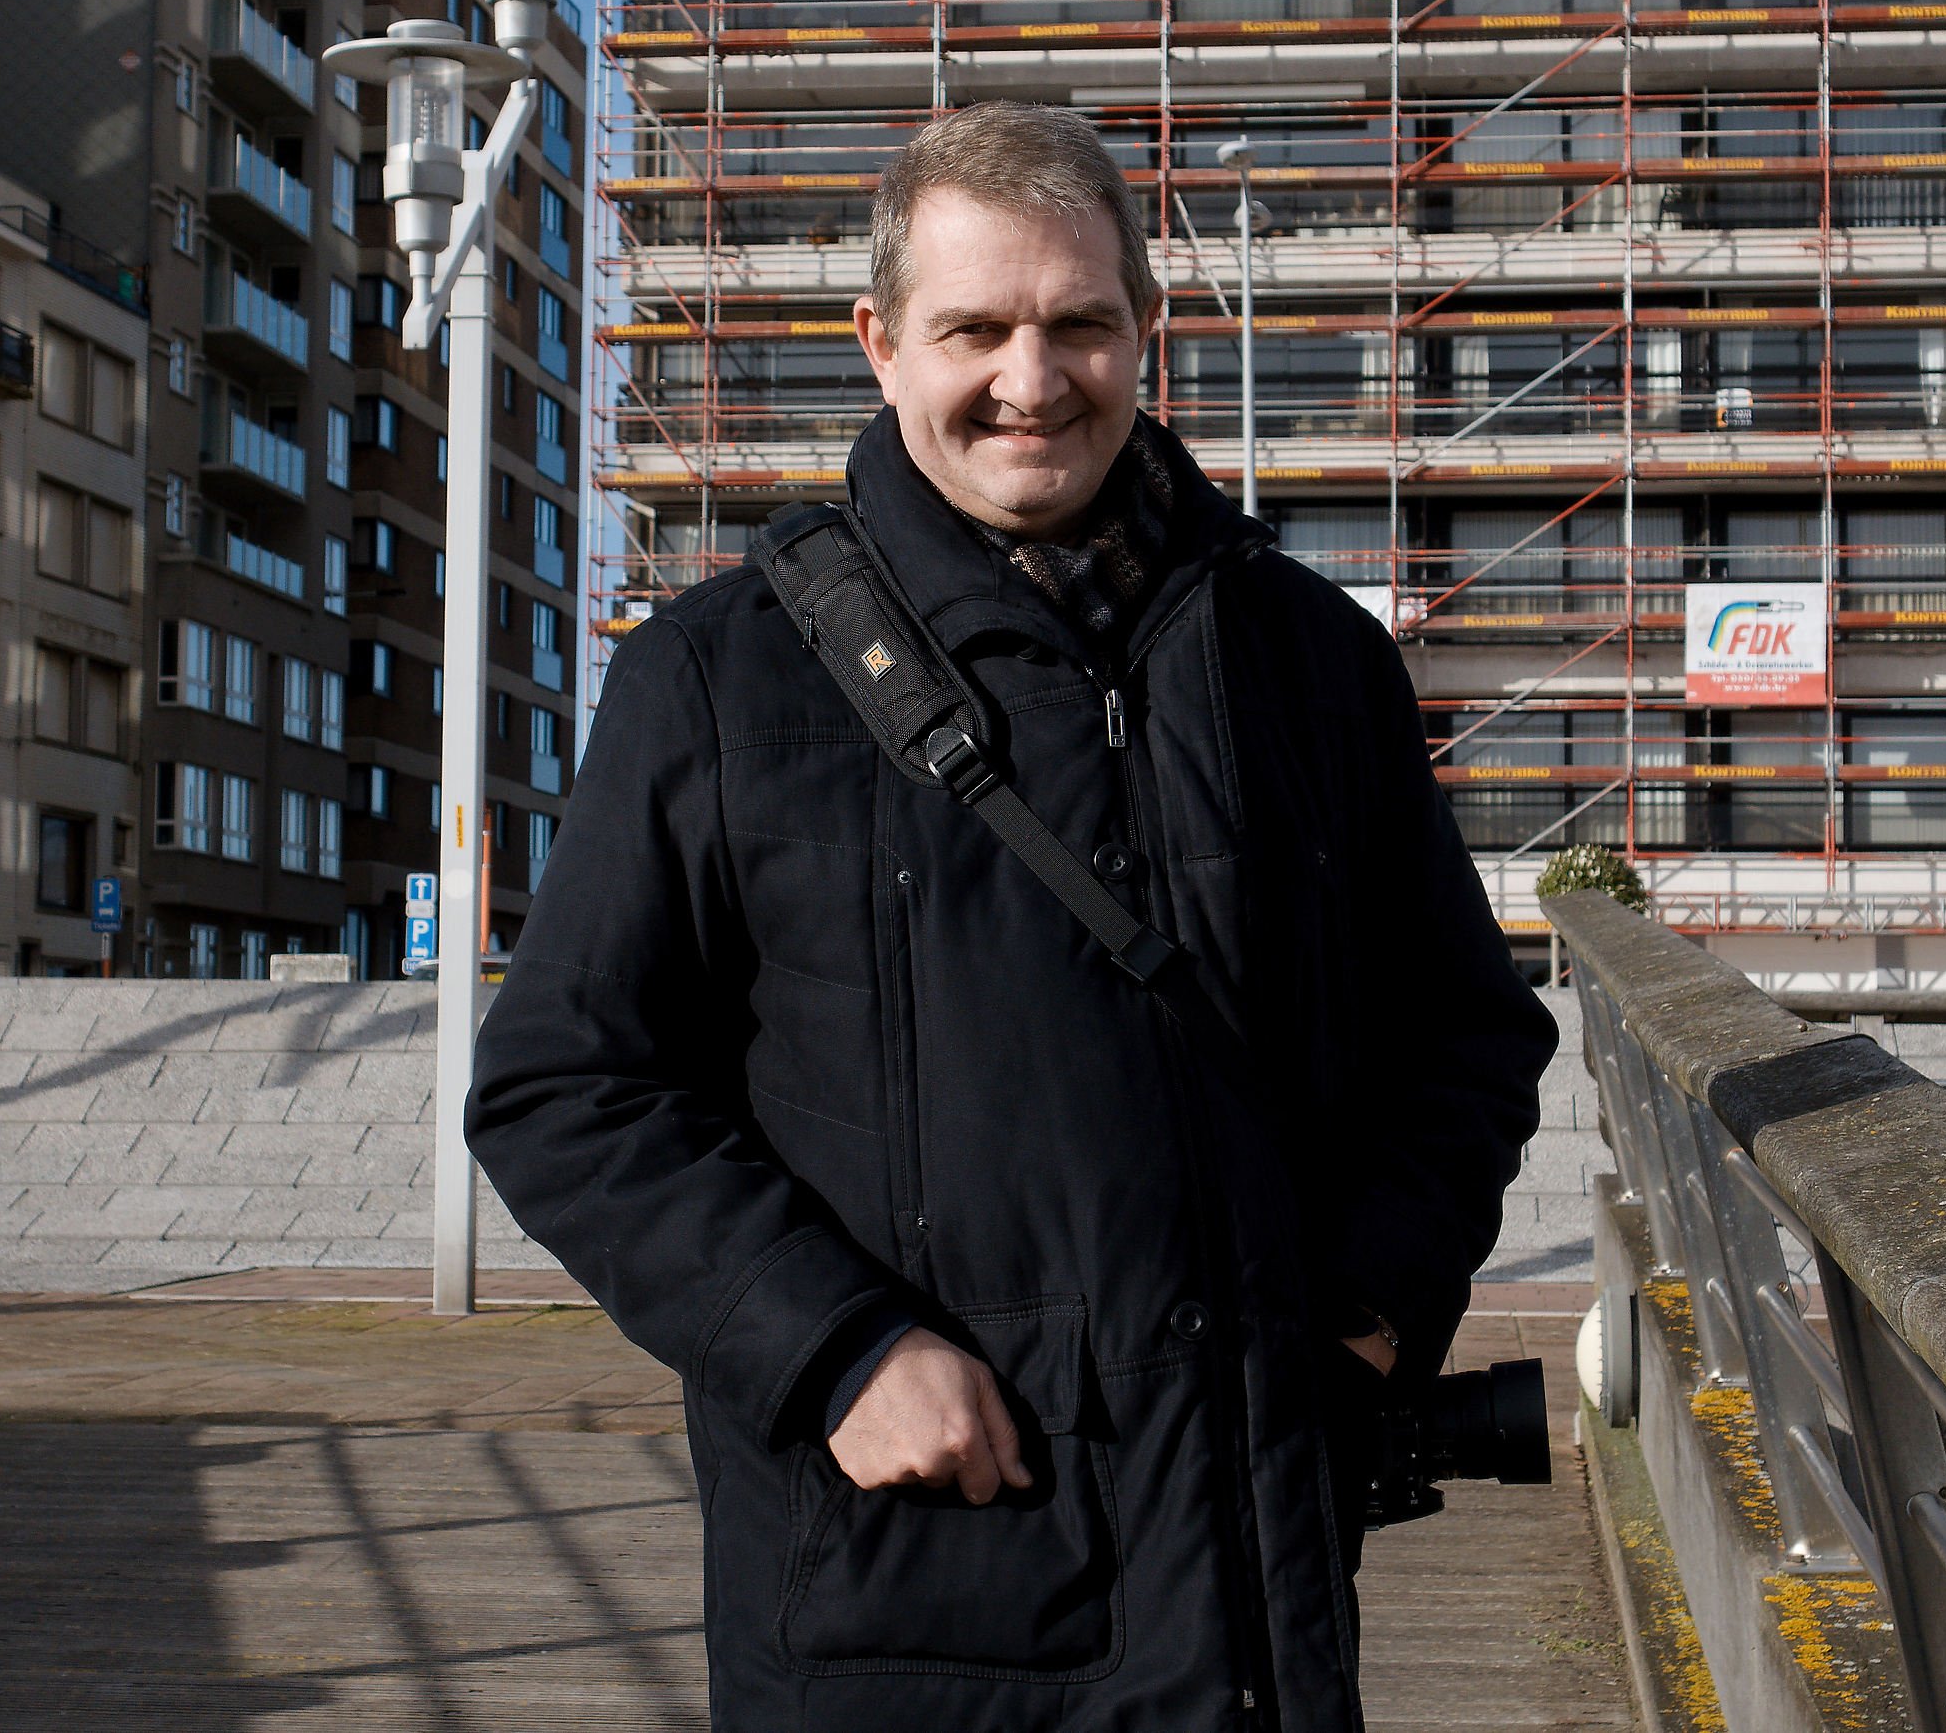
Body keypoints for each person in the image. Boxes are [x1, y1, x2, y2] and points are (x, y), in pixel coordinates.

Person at [467, 100, 1553, 1731]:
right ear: (881, 342)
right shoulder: (714, 676)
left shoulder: (1318, 661)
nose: (1031, 381)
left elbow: (1463, 1033)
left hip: (1257, 1599)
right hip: (902, 1602)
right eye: (975, 328)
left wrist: (1372, 1304)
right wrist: (833, 1348)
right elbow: (564, 1084)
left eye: (1079, 325)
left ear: (1147, 328)